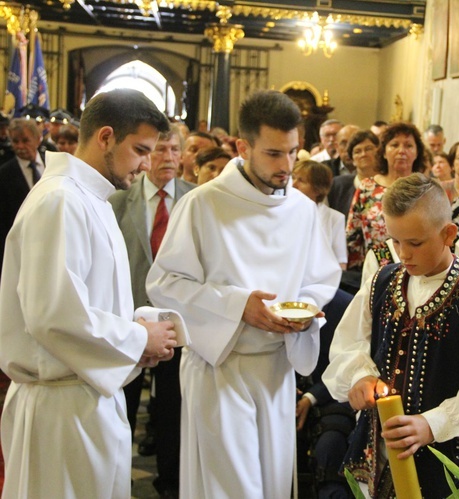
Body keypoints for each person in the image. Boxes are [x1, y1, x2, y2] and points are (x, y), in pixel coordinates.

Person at [145, 90, 341, 498]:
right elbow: (164, 285)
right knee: (231, 489)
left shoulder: (303, 211)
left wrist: (306, 308)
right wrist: (237, 306)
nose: (286, 166)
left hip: (275, 369)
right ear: (243, 146)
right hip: (221, 368)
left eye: (293, 152)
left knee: (271, 484)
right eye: (273, 154)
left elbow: (319, 279)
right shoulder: (203, 205)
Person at [0, 88, 176, 498]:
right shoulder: (60, 201)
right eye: (140, 150)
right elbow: (54, 317)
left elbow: (86, 306)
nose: (147, 164)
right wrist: (136, 339)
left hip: (85, 398)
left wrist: (136, 338)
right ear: (105, 137)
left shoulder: (91, 199)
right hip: (60, 410)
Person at [323, 173, 459, 498]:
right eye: (395, 241)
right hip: (375, 458)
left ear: (448, 233)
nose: (403, 254)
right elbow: (348, 344)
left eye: (415, 243)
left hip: (447, 470)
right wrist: (360, 377)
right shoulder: (382, 282)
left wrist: (432, 424)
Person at [110, 123, 195, 498]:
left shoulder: (196, 200)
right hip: (127, 320)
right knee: (122, 406)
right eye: (161, 150)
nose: (169, 158)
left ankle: (171, 484)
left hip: (178, 322)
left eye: (175, 150)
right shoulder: (118, 199)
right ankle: (118, 479)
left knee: (173, 411)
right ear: (146, 156)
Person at [345, 122, 425, 271]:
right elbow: (352, 235)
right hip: (374, 269)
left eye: (408, 146)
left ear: (417, 152)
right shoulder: (367, 188)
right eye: (394, 145)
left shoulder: (425, 189)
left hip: (416, 269)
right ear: (383, 152)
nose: (401, 151)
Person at [0, 118, 45, 277]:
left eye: (25, 140)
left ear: (38, 139)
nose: (20, 146)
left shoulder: (53, 162)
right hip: (22, 249)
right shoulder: (4, 174)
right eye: (15, 141)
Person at [292, 160, 347, 269]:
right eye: (293, 178)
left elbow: (341, 263)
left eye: (301, 181)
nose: (293, 184)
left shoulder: (335, 218)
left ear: (318, 189)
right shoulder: (282, 212)